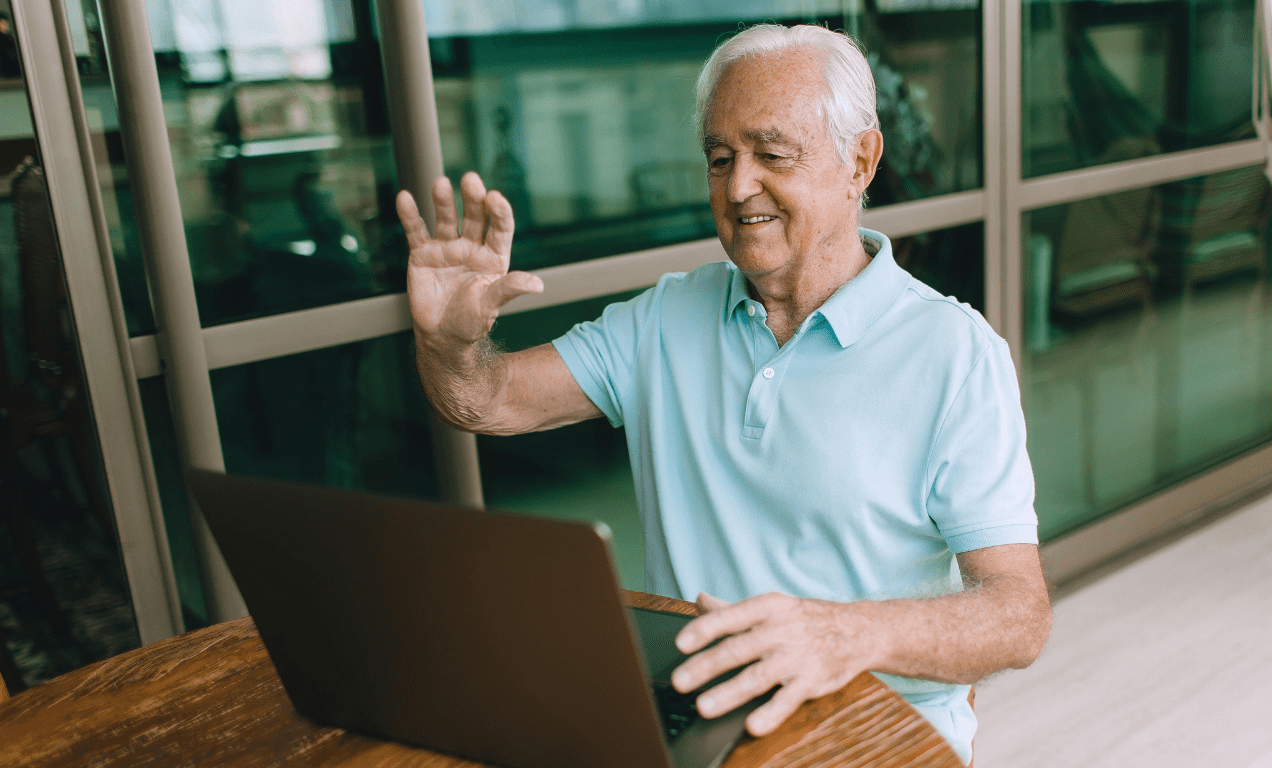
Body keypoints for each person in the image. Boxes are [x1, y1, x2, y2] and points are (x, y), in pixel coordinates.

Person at [398, 24, 1051, 765]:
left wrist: (843, 636)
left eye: (772, 155)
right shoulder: (663, 317)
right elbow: (486, 401)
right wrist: (450, 345)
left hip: (870, 728)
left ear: (859, 161)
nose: (739, 187)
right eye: (720, 158)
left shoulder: (954, 353)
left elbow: (1017, 616)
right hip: (694, 718)